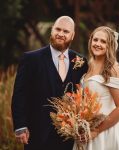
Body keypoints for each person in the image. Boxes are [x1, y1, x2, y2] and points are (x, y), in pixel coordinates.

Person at [11, 16, 88, 150]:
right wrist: (20, 126)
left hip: (68, 136)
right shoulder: (31, 59)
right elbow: (19, 94)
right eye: (58, 29)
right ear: (52, 30)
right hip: (37, 133)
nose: (61, 34)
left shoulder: (80, 61)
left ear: (73, 35)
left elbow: (84, 95)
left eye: (66, 31)